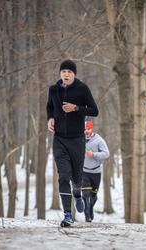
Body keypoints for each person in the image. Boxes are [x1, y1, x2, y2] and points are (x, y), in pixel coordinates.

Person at [46, 59, 98, 227]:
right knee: (63, 176)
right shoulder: (53, 90)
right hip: (59, 139)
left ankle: (77, 193)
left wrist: (76, 108)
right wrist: (50, 118)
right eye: (64, 72)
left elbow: (94, 111)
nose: (66, 74)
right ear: (60, 74)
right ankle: (67, 214)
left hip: (77, 140)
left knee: (76, 178)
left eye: (69, 72)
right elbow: (49, 107)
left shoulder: (82, 89)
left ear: (74, 74)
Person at [82, 120, 109, 222]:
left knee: (93, 195)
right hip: (84, 171)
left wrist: (93, 154)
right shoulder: (79, 138)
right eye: (84, 129)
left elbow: (106, 154)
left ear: (91, 129)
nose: (86, 131)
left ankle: (90, 209)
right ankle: (87, 215)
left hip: (96, 172)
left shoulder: (99, 140)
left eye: (88, 129)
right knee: (85, 194)